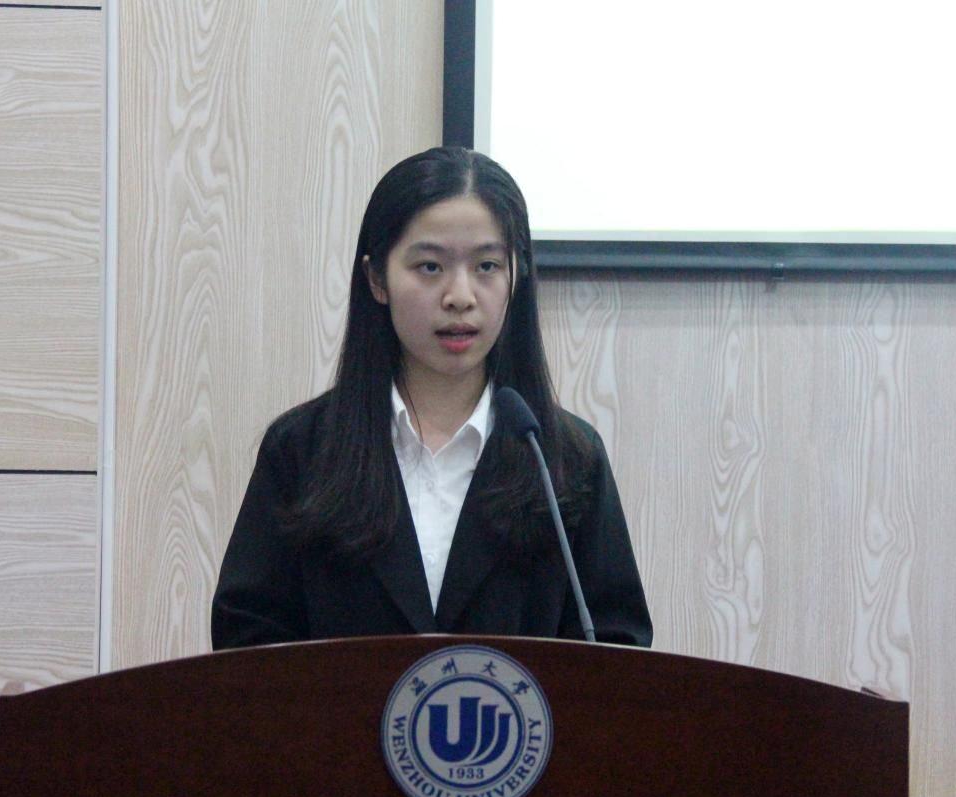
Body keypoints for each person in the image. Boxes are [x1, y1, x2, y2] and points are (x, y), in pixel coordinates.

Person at [211, 147, 651, 649]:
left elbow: (616, 647)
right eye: (429, 267)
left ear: (517, 275)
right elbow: (247, 642)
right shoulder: (302, 450)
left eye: (487, 265)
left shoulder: (565, 458)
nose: (460, 296)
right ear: (377, 278)